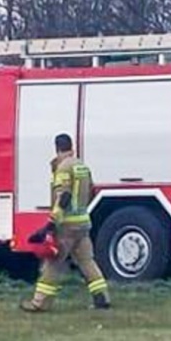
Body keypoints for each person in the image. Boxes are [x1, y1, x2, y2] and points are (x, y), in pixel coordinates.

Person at [21, 133, 112, 312]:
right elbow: (91, 191)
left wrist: (51, 223)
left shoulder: (63, 168)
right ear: (72, 147)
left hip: (67, 225)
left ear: (56, 148)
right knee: (87, 261)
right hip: (83, 223)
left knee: (52, 263)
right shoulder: (82, 166)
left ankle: (39, 303)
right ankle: (102, 298)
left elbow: (64, 196)